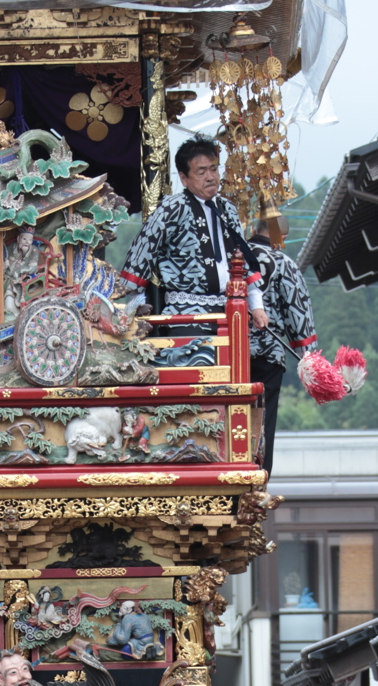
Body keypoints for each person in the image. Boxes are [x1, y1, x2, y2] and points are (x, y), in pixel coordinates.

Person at [121, 138, 267, 323]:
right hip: (185, 313)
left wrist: (257, 306)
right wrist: (132, 302)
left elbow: (244, 259)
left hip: (231, 311)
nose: (210, 177)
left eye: (213, 169)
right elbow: (142, 251)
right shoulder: (173, 207)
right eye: (201, 172)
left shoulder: (227, 208)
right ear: (184, 178)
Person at [246, 216, 317, 474]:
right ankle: (259, 473)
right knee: (263, 420)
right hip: (267, 355)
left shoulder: (231, 258)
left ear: (253, 229)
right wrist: (311, 366)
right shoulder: (284, 263)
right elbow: (300, 320)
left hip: (225, 354)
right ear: (281, 238)